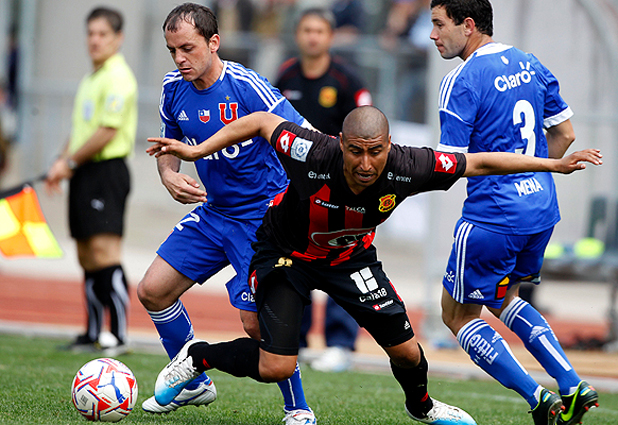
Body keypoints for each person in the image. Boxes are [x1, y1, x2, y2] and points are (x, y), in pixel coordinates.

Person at [146, 106, 601, 425]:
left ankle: (423, 407)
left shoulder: (411, 165)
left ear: (389, 146)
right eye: (356, 151)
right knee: (277, 366)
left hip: (349, 259)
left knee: (407, 352)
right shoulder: (312, 151)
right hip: (287, 255)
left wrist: (554, 165)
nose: (366, 163)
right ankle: (199, 356)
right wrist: (196, 152)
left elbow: (478, 162)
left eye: (376, 151)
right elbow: (263, 121)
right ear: (340, 144)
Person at [135, 4, 316, 424]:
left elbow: (304, 136)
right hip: (214, 212)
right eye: (172, 51)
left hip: (261, 218)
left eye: (188, 48)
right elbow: (168, 144)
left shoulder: (247, 86)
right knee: (152, 290)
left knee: (257, 326)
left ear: (213, 42)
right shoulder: (172, 88)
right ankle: (194, 383)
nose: (180, 59)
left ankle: (298, 408)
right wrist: (168, 175)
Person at [428, 1, 600, 424]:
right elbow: (565, 134)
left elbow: (450, 164)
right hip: (540, 210)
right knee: (505, 298)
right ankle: (571, 382)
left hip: (493, 217)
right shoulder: (530, 63)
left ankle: (538, 399)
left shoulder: (462, 80)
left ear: (468, 25)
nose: (433, 35)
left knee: (456, 315)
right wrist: (532, 173)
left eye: (439, 24)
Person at [275, 7, 372, 372]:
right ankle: (293, 341)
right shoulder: (285, 75)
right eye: (307, 30)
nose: (312, 37)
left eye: (319, 31)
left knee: (343, 258)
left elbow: (366, 129)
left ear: (330, 37)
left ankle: (341, 344)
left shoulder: (347, 81)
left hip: (339, 189)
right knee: (292, 259)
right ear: (298, 35)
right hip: (293, 188)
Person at [45, 7, 137, 356]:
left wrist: (69, 162)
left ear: (118, 38)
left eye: (103, 34)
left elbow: (106, 131)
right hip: (84, 172)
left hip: (106, 171)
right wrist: (61, 162)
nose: (95, 40)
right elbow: (80, 131)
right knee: (86, 254)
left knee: (105, 251)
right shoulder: (91, 79)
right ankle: (93, 333)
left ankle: (121, 335)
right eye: (91, 33)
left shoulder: (119, 77)